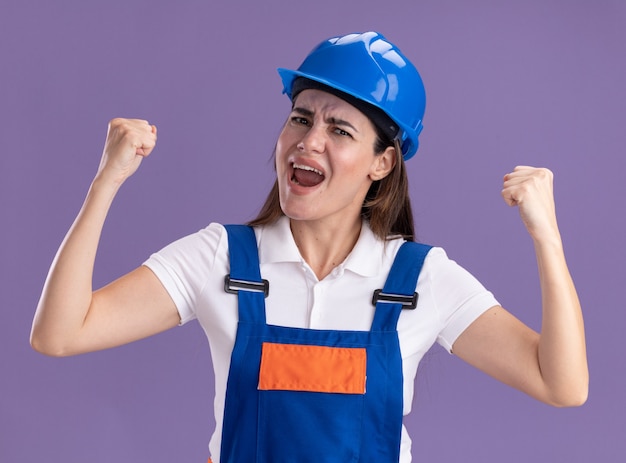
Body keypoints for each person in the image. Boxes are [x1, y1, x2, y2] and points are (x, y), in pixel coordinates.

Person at [31, 31, 588, 462]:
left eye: (339, 130)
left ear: (382, 162)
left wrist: (548, 238)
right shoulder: (219, 259)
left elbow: (561, 384)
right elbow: (60, 333)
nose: (307, 140)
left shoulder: (419, 280)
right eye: (300, 118)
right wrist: (105, 183)